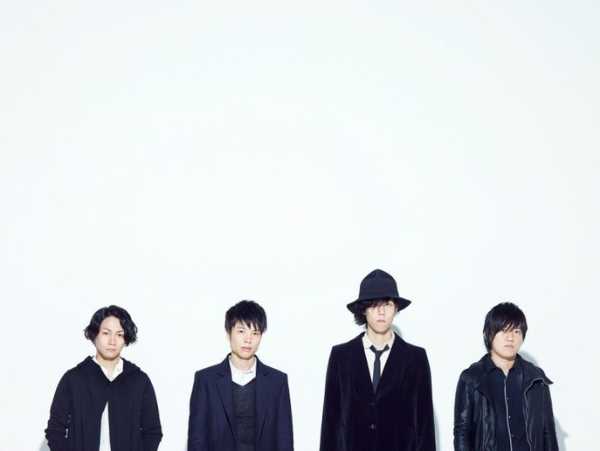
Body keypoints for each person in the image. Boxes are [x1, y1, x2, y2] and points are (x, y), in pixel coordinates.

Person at [320, 269, 436, 451]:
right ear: (363, 309)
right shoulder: (341, 357)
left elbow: (424, 426)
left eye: (387, 304)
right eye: (374, 304)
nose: (381, 311)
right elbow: (331, 424)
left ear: (396, 308)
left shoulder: (415, 359)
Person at [45, 305, 162, 451]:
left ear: (126, 338)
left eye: (119, 334)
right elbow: (55, 431)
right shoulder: (74, 379)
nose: (112, 341)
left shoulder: (139, 380)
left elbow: (152, 431)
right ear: (95, 335)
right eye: (106, 333)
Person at [188, 300, 293, 451]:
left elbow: (284, 440)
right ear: (229, 333)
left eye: (255, 333)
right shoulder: (206, 381)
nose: (248, 339)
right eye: (241, 331)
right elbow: (197, 441)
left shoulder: (277, 382)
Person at [453, 302, 559, 451]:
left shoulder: (535, 378)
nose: (510, 338)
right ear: (488, 334)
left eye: (516, 331)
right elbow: (462, 433)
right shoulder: (471, 378)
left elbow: (548, 432)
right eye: (504, 330)